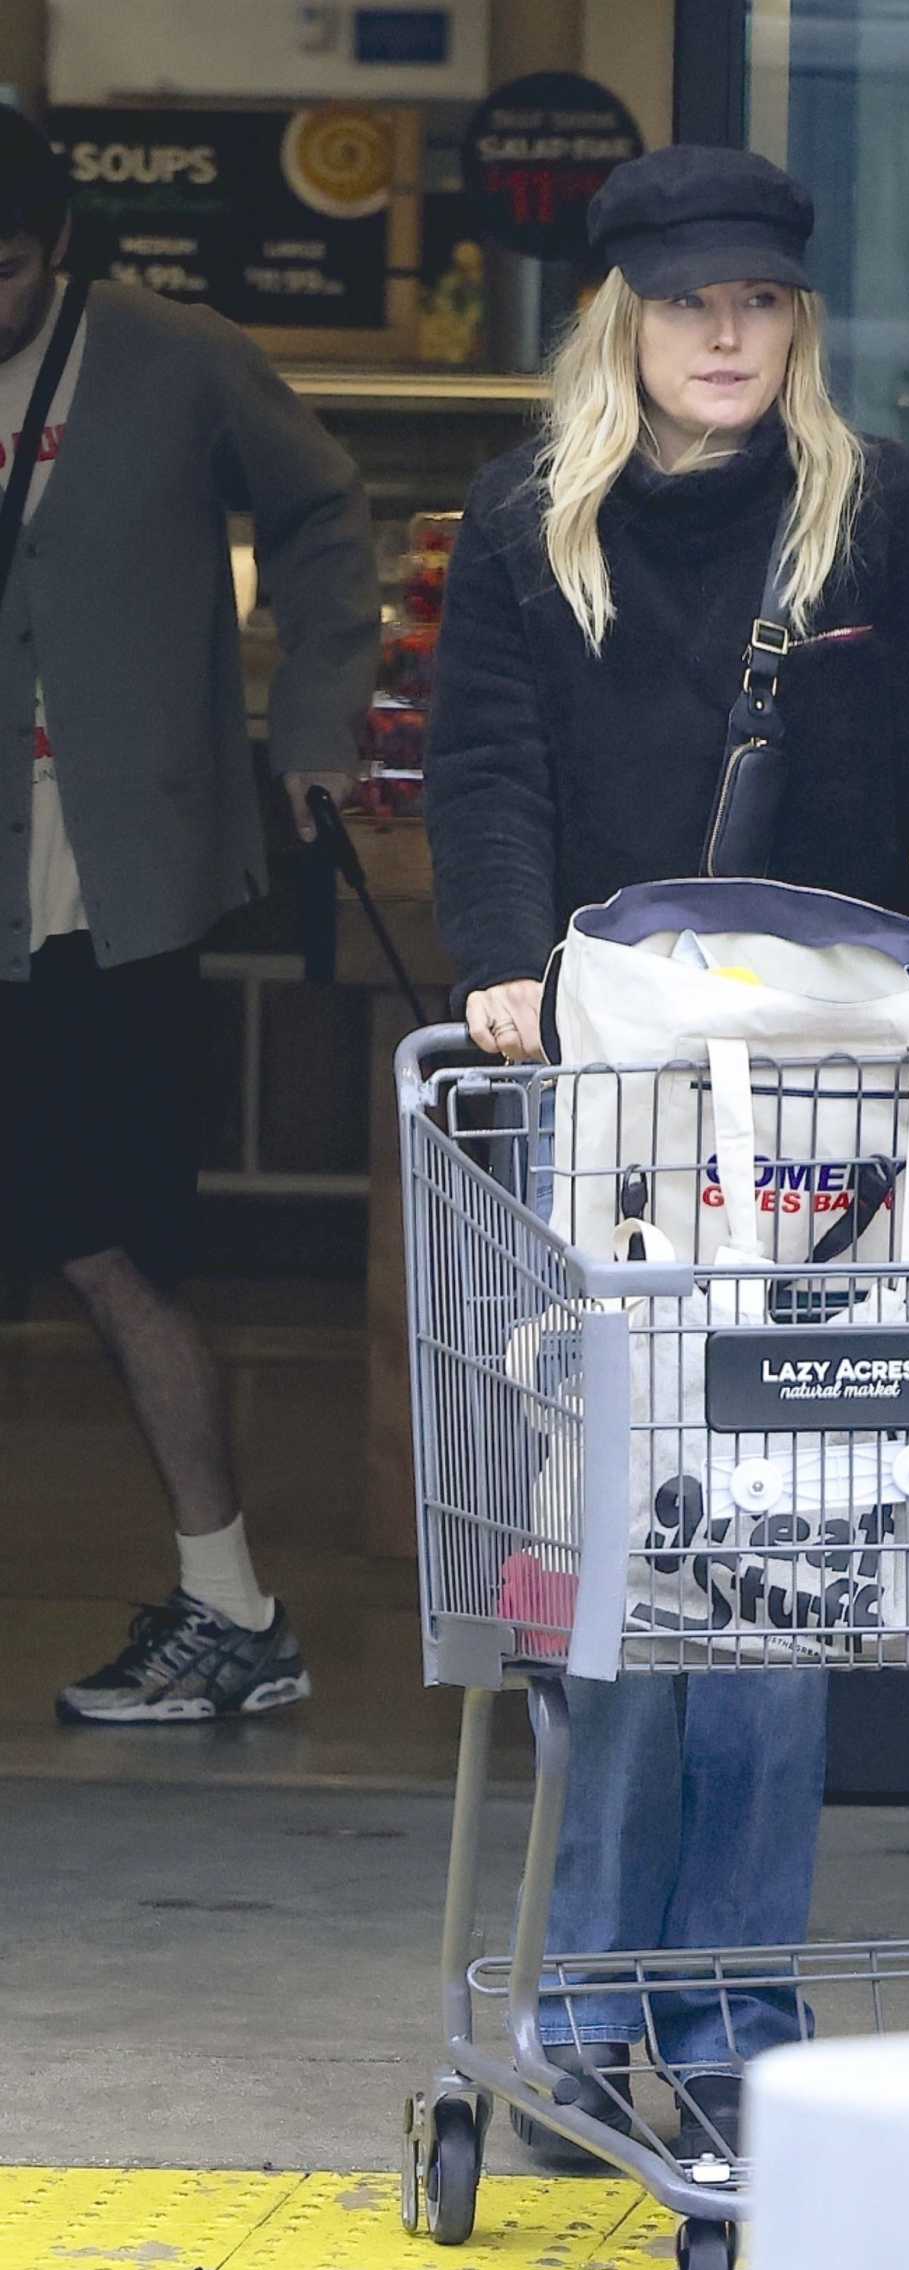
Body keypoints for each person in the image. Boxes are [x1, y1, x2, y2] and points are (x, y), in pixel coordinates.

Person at [423, 143, 909, 2156]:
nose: (724, 335)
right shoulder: (533, 519)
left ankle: (732, 2012)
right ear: (624, 317)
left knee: (775, 1584)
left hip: (825, 1119)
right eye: (688, 303)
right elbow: (489, 763)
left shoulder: (880, 517)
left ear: (797, 319)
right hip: (608, 1103)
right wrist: (507, 969)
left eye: (757, 303)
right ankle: (599, 1990)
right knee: (618, 1580)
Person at [0, 108, 381, 1723]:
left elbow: (326, 515)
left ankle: (231, 1608)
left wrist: (315, 723)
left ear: (61, 248)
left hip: (116, 889)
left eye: (1, 269)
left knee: (115, 1248)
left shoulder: (174, 358)